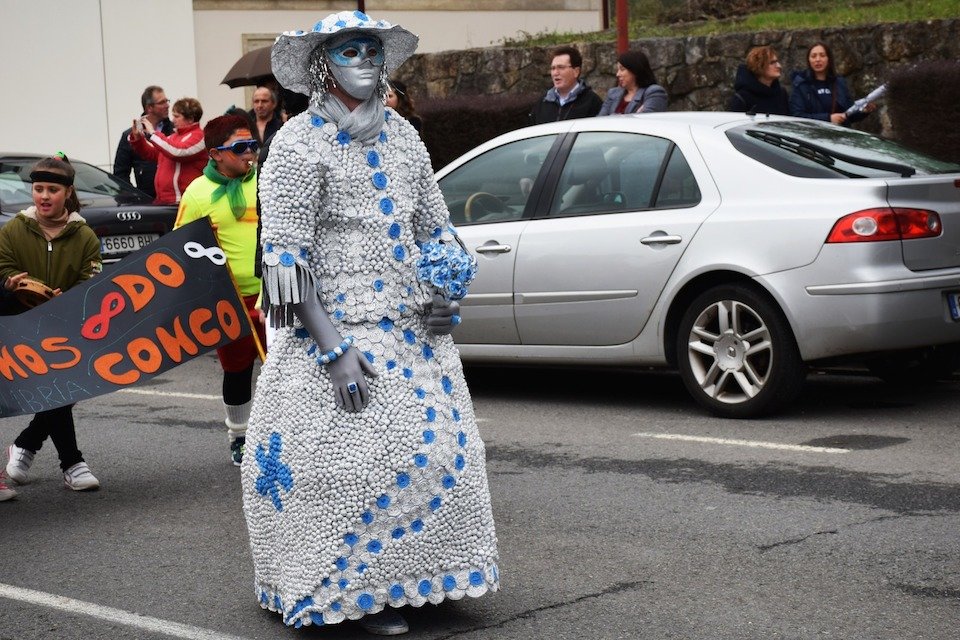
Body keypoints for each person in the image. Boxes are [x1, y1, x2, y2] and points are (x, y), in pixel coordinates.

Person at [246, 10, 500, 634]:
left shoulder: (405, 138)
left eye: (371, 49)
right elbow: (286, 260)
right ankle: (351, 593)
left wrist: (447, 289)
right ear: (321, 64)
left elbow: (435, 228)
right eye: (347, 49)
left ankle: (423, 580)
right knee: (355, 462)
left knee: (446, 454)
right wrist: (333, 350)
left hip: (415, 332)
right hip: (335, 333)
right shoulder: (296, 145)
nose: (363, 59)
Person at [1, 157, 102, 493]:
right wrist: (9, 283)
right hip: (21, 324)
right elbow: (2, 267)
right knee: (54, 389)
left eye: (52, 190)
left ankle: (25, 445)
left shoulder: (84, 235)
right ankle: (72, 463)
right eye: (39, 188)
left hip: (65, 325)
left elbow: (92, 282)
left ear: (67, 192)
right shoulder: (14, 229)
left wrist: (69, 297)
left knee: (63, 389)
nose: (44, 196)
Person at [174, 115, 265, 467]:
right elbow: (181, 249)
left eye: (253, 146)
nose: (250, 155)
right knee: (237, 370)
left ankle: (282, 437)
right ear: (216, 154)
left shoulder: (267, 181)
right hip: (230, 299)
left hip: (275, 296)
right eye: (240, 148)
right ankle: (239, 436)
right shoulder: (197, 193)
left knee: (283, 372)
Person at [129, 97, 207, 204]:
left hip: (184, 203)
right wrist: (138, 138)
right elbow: (152, 153)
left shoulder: (200, 136)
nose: (173, 120)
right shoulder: (173, 137)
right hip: (164, 201)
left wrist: (152, 133)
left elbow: (178, 152)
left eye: (177, 116)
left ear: (190, 119)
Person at [790, 42, 876, 125]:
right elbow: (798, 116)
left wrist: (863, 111)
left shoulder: (839, 83)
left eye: (822, 55)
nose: (818, 59)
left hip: (839, 135)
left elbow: (849, 113)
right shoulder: (801, 85)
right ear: (808, 60)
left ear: (829, 59)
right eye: (813, 56)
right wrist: (828, 118)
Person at [113, 86, 174, 197]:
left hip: (172, 199)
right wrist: (134, 196)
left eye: (167, 101)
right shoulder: (130, 135)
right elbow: (120, 173)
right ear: (149, 108)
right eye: (162, 102)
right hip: (146, 202)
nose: (167, 105)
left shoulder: (174, 131)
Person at [529, 45, 603, 124]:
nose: (555, 73)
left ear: (576, 72)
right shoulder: (543, 103)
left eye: (561, 67)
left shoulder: (591, 102)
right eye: (553, 68)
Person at [598, 49, 668, 115]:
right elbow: (601, 122)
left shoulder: (654, 92)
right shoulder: (613, 93)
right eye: (618, 70)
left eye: (622, 69)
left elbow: (645, 123)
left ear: (635, 70)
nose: (618, 74)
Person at [728, 45, 790, 115]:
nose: (779, 66)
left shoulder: (781, 93)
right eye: (772, 63)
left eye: (777, 62)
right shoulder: (742, 97)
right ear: (760, 66)